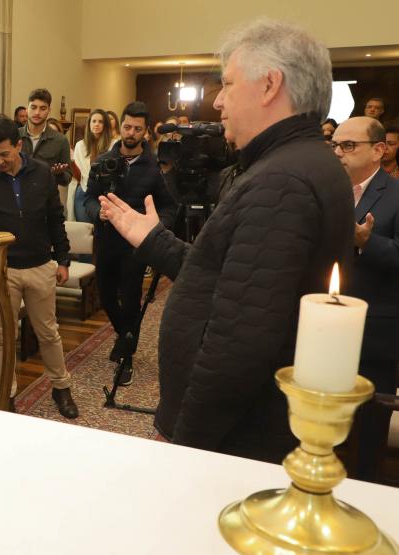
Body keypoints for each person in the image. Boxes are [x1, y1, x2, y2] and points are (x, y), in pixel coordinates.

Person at [98, 19, 354, 463]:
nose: (217, 101)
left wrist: (188, 442)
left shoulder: (282, 180)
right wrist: (153, 240)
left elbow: (238, 343)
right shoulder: (298, 162)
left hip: (233, 439)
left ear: (270, 84)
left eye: (228, 84)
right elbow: (228, 275)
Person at [0, 116, 78, 418]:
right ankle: (7, 392)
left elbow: (55, 218)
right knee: (3, 336)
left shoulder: (42, 173)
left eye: (5, 153)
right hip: (1, 271)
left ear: (19, 145)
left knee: (48, 332)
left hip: (41, 265)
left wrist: (64, 258)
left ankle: (61, 387)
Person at [84, 101, 176, 386]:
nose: (131, 132)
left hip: (136, 246)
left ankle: (127, 356)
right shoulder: (101, 161)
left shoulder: (153, 169)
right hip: (106, 240)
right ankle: (125, 337)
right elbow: (87, 198)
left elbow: (170, 207)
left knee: (131, 298)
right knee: (107, 296)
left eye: (137, 128)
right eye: (127, 127)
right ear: (120, 127)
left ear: (146, 132)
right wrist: (95, 213)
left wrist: (155, 230)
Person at [332, 116, 399, 482]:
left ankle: (366, 491)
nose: (338, 153)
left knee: (370, 428)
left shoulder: (396, 194)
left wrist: (367, 243)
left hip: (375, 335)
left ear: (378, 150)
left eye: (348, 146)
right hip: (326, 329)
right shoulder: (330, 190)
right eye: (336, 146)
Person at [19, 88, 72, 211]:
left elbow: (67, 179)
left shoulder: (60, 140)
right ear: (27, 109)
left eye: (43, 108)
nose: (37, 112)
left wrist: (58, 174)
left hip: (47, 204)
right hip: (17, 200)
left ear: (49, 110)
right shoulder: (14, 135)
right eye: (33, 107)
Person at [69, 109, 112, 223]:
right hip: (84, 191)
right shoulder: (80, 145)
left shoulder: (113, 145)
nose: (96, 124)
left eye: (100, 122)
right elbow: (78, 177)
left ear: (106, 125)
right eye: (93, 121)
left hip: (105, 195)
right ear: (89, 124)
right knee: (84, 230)